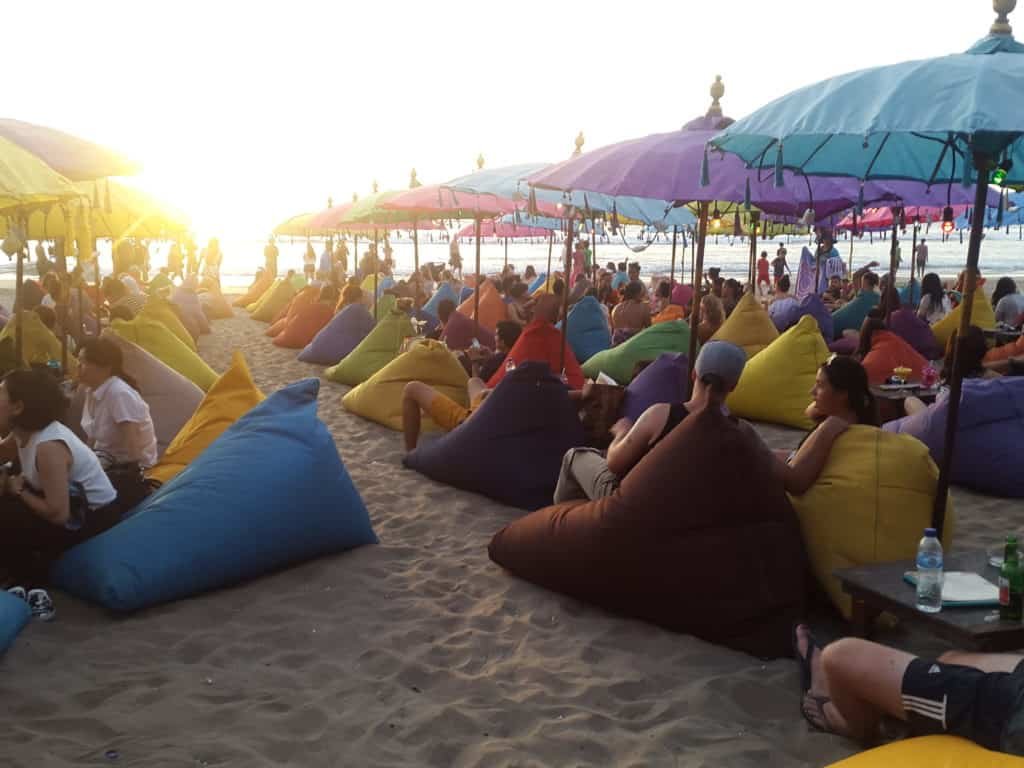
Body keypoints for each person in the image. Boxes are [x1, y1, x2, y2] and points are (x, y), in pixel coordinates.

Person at [552, 341, 751, 502]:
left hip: (635, 510)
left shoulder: (660, 415)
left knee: (575, 455)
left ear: (693, 375)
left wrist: (621, 432)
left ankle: (566, 530)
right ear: (733, 386)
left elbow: (614, 463)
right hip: (694, 513)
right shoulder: (740, 432)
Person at [794, 624, 1024, 756]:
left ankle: (854, 726)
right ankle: (894, 706)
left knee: (837, 657)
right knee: (952, 659)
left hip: (1007, 710)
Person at [0, 369, 119, 589]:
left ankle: (28, 582)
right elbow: (2, 452)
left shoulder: (48, 446)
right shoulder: (23, 432)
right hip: (69, 505)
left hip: (91, 520)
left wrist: (18, 490)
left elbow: (58, 515)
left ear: (18, 407)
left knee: (7, 513)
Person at [772, 355, 876, 495]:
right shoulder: (854, 416)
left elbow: (796, 481)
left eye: (820, 385)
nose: (812, 392)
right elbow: (810, 411)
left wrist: (752, 443)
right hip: (795, 457)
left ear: (842, 394)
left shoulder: (832, 427)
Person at [77, 338, 158, 470]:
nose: (78, 366)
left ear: (105, 367)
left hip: (124, 470)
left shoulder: (118, 393)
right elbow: (93, 439)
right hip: (105, 463)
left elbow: (133, 446)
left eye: (84, 362)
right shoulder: (92, 392)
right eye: (78, 361)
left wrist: (134, 479)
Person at [402, 350, 494, 452]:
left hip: (473, 421)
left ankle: (410, 452)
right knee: (474, 381)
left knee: (411, 388)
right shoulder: (510, 370)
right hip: (486, 406)